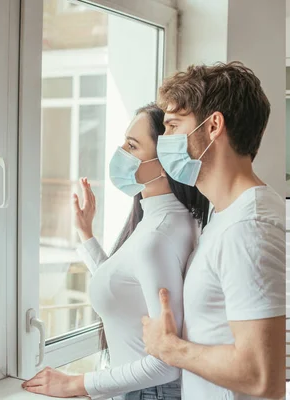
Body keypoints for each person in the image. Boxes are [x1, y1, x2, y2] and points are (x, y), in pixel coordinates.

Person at [22, 104, 209, 399]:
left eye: (132, 146)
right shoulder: (167, 221)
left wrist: (74, 384)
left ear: (165, 163)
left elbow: (167, 363)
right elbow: (125, 291)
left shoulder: (157, 236)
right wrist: (86, 234)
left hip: (147, 393)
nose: (120, 152)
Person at [140, 62, 286, 399]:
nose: (165, 141)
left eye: (174, 126)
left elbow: (261, 376)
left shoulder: (249, 227)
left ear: (214, 126)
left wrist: (168, 348)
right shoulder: (226, 216)